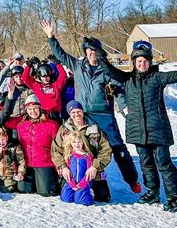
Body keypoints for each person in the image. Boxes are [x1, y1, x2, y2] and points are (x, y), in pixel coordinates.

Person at [41, 20, 141, 194]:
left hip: (103, 114)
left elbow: (120, 89)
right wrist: (51, 37)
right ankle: (75, 179)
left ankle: (131, 179)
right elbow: (61, 54)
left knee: (117, 147)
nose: (91, 54)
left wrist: (124, 107)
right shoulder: (78, 66)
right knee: (76, 145)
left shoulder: (107, 70)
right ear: (85, 53)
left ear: (99, 52)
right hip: (82, 113)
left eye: (94, 51)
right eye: (88, 51)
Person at [92, 38, 177, 212]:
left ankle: (173, 196)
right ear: (134, 62)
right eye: (139, 61)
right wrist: (100, 53)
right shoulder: (127, 79)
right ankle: (152, 192)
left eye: (145, 61)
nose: (142, 63)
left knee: (164, 163)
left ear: (150, 62)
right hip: (138, 131)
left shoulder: (158, 78)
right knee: (146, 163)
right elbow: (109, 69)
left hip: (158, 130)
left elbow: (175, 75)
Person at [51, 100, 112, 202]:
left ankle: (90, 187)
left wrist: (95, 166)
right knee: (67, 197)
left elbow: (106, 150)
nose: (76, 114)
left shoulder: (94, 128)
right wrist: (63, 167)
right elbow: (55, 150)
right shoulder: (64, 129)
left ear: (82, 111)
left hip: (91, 170)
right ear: (70, 114)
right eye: (73, 112)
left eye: (78, 111)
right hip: (72, 171)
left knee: (103, 197)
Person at [17, 95, 59, 196]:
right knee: (23, 189)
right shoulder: (21, 126)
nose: (33, 111)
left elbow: (57, 146)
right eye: (30, 109)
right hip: (27, 164)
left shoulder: (51, 125)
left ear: (40, 108)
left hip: (44, 162)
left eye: (35, 108)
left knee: (45, 192)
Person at [59, 131, 95, 206]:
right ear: (71, 143)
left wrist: (82, 184)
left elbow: (89, 174)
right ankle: (74, 193)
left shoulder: (87, 156)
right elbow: (68, 172)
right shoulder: (70, 155)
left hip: (83, 183)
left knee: (80, 201)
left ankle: (90, 194)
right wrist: (72, 184)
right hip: (71, 182)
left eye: (79, 142)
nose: (76, 144)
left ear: (83, 142)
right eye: (74, 142)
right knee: (66, 198)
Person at [0, 126, 26, 193]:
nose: (1, 142)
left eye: (3, 139)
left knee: (8, 190)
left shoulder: (15, 147)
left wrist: (21, 173)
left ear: (7, 138)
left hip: (10, 176)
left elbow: (22, 161)